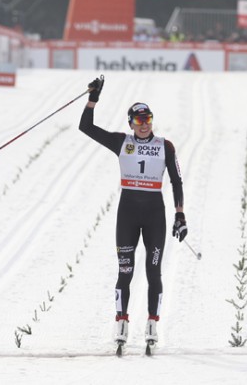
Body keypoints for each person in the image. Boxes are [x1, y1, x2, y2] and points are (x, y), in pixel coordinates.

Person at [79, 76, 186, 348]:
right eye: (139, 121)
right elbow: (86, 127)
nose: (144, 124)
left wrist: (180, 215)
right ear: (131, 123)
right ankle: (122, 321)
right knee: (125, 271)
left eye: (148, 119)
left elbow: (176, 180)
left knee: (153, 272)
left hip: (155, 216)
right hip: (127, 215)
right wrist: (93, 99)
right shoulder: (121, 142)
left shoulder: (165, 146)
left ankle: (152, 323)